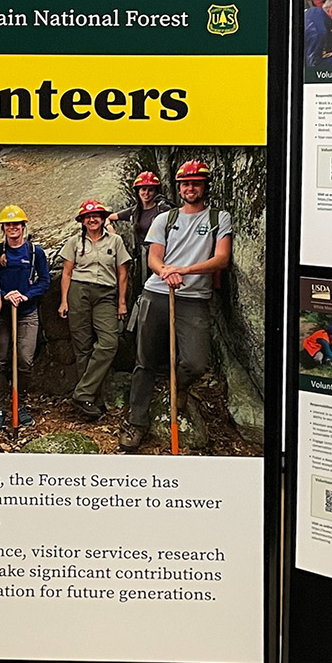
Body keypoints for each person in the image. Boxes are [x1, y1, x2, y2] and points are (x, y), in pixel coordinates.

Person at [122, 160, 232, 452]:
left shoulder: (219, 218)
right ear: (179, 187)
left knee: (196, 362)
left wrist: (182, 271)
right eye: (185, 183)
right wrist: (165, 272)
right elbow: (154, 258)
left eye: (196, 183)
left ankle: (179, 385)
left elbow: (222, 259)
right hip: (157, 292)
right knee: (144, 361)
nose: (190, 188)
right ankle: (137, 422)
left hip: (194, 297)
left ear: (205, 186)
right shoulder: (165, 219)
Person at [58, 198, 130, 421]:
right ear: (82, 220)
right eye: (88, 216)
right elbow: (67, 273)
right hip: (78, 292)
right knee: (82, 347)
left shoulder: (116, 241)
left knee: (109, 342)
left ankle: (82, 393)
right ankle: (90, 403)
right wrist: (63, 301)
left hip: (106, 294)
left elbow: (122, 273)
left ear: (103, 218)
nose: (92, 219)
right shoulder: (74, 242)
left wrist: (122, 302)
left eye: (96, 215)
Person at [0, 205, 49, 424]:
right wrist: (4, 295)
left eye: (16, 224)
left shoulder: (35, 252)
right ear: (3, 227)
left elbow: (44, 280)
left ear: (23, 226)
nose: (13, 228)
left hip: (27, 312)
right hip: (0, 313)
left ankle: (18, 401)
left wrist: (25, 295)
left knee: (24, 359)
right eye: (8, 224)